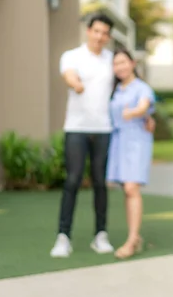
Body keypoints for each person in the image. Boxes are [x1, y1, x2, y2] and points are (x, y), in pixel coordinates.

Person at [50, 14, 154, 258]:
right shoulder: (72, 56)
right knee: (73, 181)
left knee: (100, 183)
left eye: (104, 33)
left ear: (108, 36)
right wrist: (76, 84)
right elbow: (69, 75)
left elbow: (130, 86)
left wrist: (147, 115)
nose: (100, 36)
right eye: (96, 31)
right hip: (76, 128)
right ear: (88, 31)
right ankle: (63, 237)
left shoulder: (112, 61)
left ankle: (101, 235)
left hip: (105, 130)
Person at [106, 48, 155, 259]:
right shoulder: (116, 90)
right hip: (119, 142)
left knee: (131, 187)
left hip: (137, 141)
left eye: (123, 62)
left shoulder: (141, 88)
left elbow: (144, 106)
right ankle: (134, 236)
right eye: (116, 64)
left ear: (132, 63)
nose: (120, 67)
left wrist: (135, 112)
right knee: (127, 190)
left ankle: (133, 239)